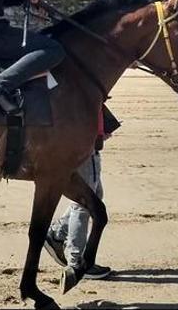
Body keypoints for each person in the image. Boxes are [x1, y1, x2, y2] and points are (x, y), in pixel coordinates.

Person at [44, 105, 121, 280]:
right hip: (83, 145)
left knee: (94, 196)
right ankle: (76, 260)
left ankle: (57, 234)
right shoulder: (79, 81)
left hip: (80, 142)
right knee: (85, 202)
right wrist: (98, 134)